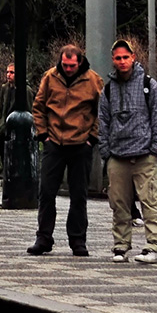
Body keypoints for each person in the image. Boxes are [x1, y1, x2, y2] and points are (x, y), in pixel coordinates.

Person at [98, 39, 157, 264]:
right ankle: (120, 246)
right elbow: (102, 121)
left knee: (150, 202)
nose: (121, 62)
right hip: (117, 156)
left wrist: (156, 150)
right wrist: (106, 152)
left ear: (133, 57)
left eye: (125, 57)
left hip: (144, 155)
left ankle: (154, 245)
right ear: (113, 60)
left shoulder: (149, 85)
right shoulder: (108, 89)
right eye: (118, 58)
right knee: (119, 204)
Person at [28, 45, 102, 257]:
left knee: (79, 195)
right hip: (54, 143)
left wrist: (92, 138)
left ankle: (78, 240)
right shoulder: (50, 77)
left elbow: (101, 111)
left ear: (79, 63)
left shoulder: (93, 80)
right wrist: (43, 135)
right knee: (46, 193)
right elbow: (39, 106)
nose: (68, 69)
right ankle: (43, 237)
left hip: (80, 143)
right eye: (65, 65)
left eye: (72, 65)